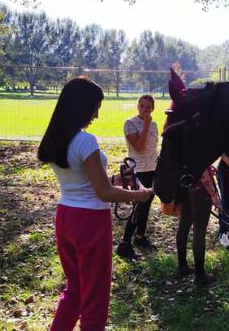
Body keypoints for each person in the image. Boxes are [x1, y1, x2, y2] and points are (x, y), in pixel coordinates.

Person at [37, 77, 152, 331]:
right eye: (95, 107)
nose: (97, 114)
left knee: (75, 289)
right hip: (90, 223)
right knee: (95, 297)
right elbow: (104, 193)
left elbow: (87, 183)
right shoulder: (85, 140)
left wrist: (118, 179)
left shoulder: (57, 140)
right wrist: (139, 196)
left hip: (65, 216)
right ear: (81, 106)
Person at [116, 94, 159, 260]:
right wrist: (146, 126)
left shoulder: (154, 124)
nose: (145, 109)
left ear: (153, 108)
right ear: (137, 106)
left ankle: (140, 238)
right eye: (142, 106)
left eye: (148, 106)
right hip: (138, 170)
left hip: (153, 169)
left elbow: (152, 148)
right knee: (137, 208)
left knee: (146, 205)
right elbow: (139, 147)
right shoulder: (130, 123)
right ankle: (125, 244)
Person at [176, 166, 220, 286]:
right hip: (201, 189)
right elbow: (203, 172)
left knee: (184, 225)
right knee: (199, 231)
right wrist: (213, 194)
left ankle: (182, 266)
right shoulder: (201, 146)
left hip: (185, 184)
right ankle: (200, 275)